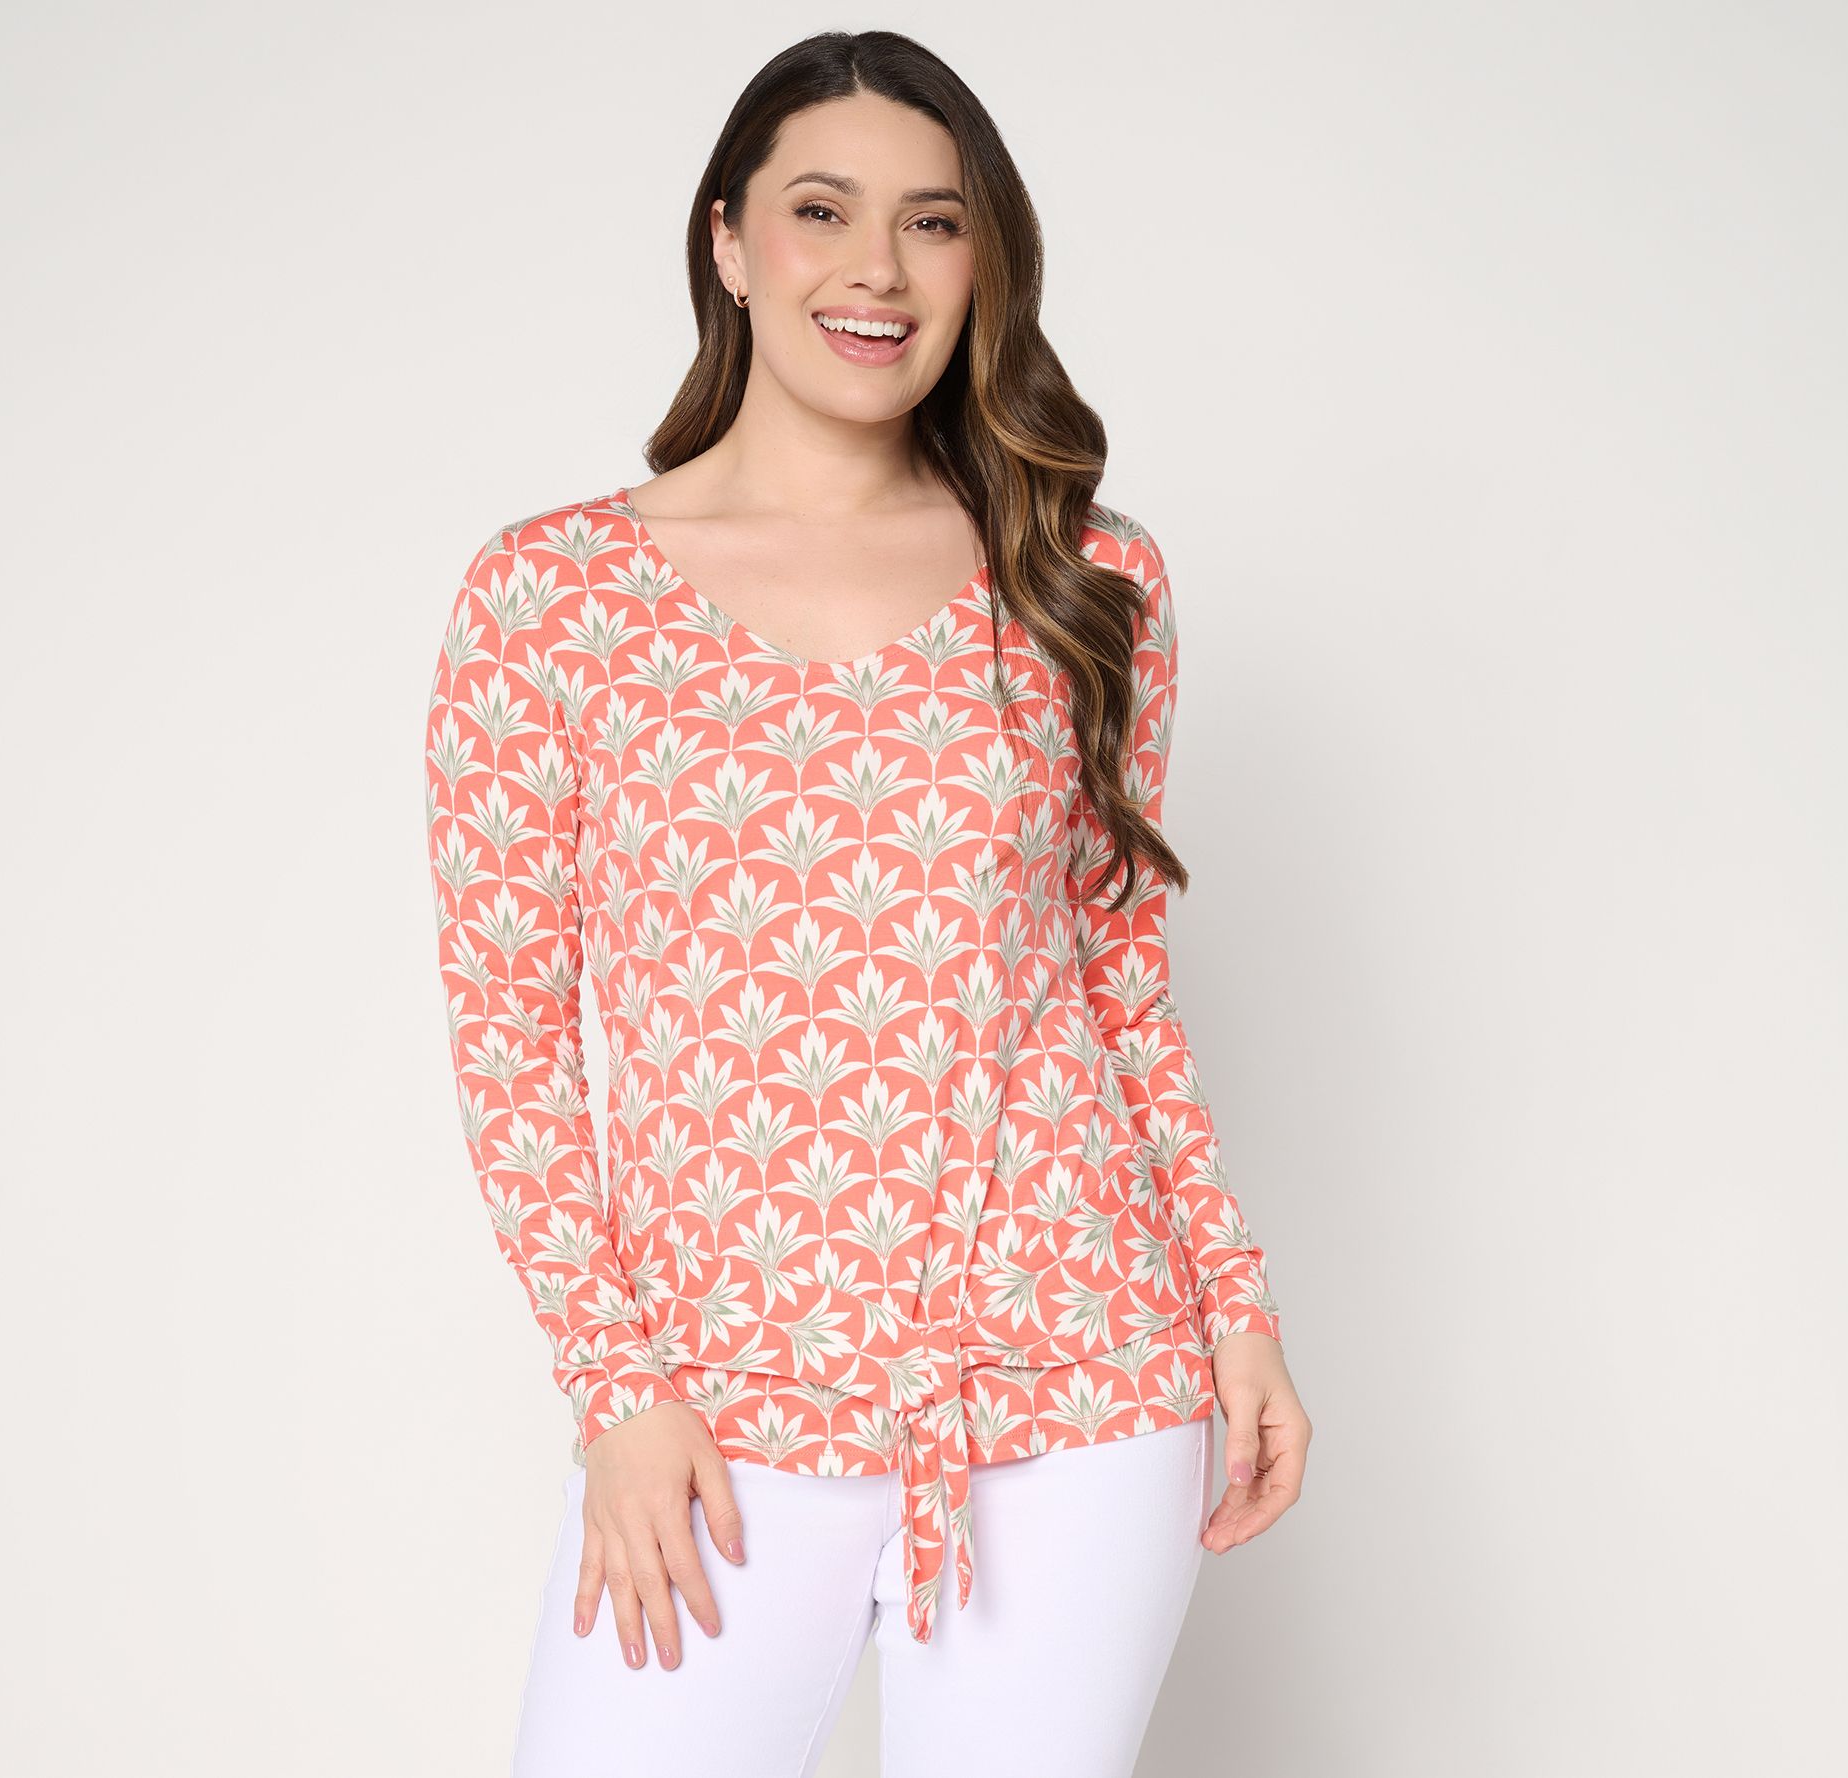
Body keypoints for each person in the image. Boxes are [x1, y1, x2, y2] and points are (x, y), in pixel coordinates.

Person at [423, 28, 1312, 1778]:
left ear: (985, 261)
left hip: (1080, 1379)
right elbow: (512, 1039)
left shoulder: (1086, 580)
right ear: (729, 240)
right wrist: (617, 1387)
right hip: (715, 1405)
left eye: (934, 221)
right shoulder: (552, 599)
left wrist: (1238, 1303)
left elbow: (1116, 982)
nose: (878, 270)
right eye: (822, 210)